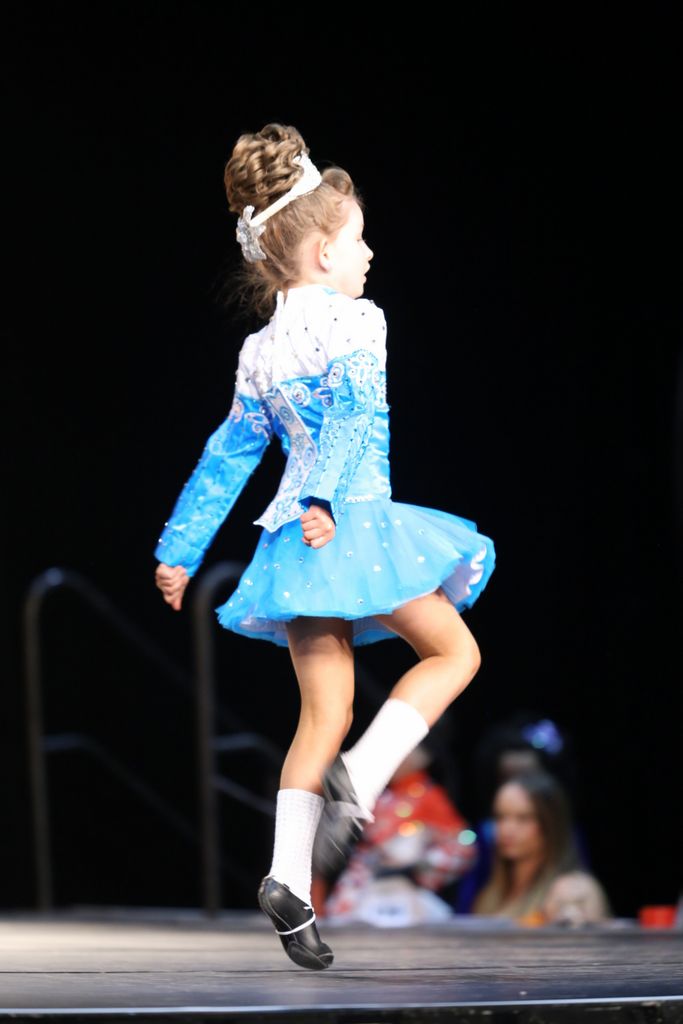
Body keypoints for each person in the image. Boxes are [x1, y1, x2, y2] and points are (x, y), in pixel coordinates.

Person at [154, 122, 496, 970]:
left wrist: (180, 548)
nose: (369, 253)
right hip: (351, 523)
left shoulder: (259, 349)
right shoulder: (357, 320)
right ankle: (364, 780)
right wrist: (321, 497)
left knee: (322, 712)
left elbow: (227, 455)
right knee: (454, 653)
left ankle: (286, 879)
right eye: (358, 239)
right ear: (321, 254)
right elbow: (351, 411)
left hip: (294, 547)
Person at [311, 741, 479, 927]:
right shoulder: (379, 796)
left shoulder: (430, 797)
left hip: (404, 890)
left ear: (423, 757)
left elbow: (463, 845)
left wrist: (419, 867)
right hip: (367, 885)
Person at [472, 770, 610, 926]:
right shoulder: (491, 892)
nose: (506, 829)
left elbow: (580, 935)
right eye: (500, 817)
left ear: (550, 824)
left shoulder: (572, 889)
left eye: (523, 818)